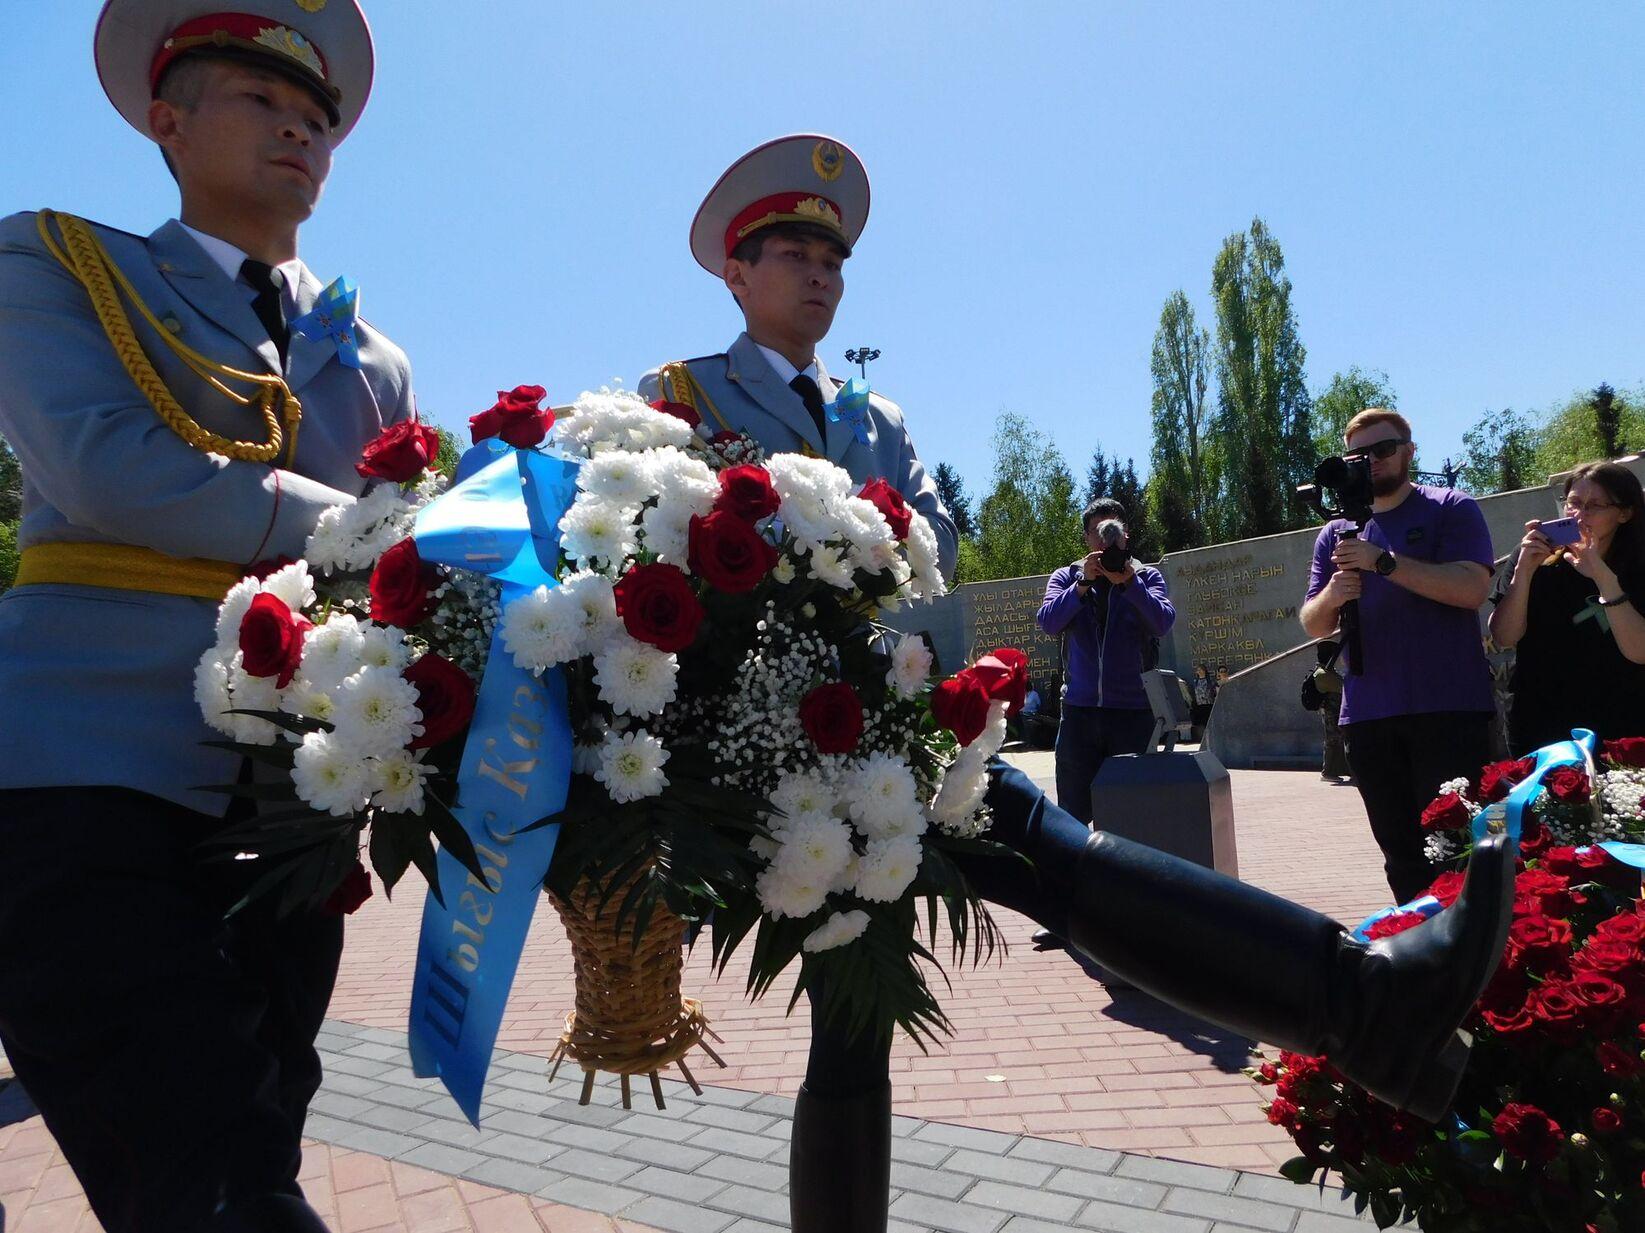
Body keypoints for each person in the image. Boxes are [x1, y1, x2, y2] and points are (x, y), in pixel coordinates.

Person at [640, 140, 1519, 1233]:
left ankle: (1373, 1012)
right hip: (770, 744)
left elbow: (934, 543)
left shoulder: (877, 415)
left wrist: (860, 533)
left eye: (833, 257)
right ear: (735, 272)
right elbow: (665, 552)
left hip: (881, 726)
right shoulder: (678, 397)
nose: (819, 275)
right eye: (791, 253)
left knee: (935, 959)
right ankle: (1369, 1009)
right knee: (1031, 881)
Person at [0, 5, 402, 1230]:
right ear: (166, 125)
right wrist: (369, 533)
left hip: (288, 805)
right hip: (85, 775)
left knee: (258, 1144)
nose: (298, 127)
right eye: (257, 98)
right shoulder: (57, 264)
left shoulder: (372, 356)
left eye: (317, 115)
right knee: (205, 1183)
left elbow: (399, 582)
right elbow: (107, 464)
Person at [1300, 408, 1496, 904]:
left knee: (1463, 852)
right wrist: (1336, 595)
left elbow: (1471, 588)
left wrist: (1383, 563)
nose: (1371, 463)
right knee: (1402, 856)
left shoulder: (1450, 507)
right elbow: (1313, 623)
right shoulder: (1335, 534)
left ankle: (1480, 969)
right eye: (1358, 455)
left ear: (1409, 451)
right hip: (1368, 715)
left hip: (1449, 709)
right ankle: (1420, 965)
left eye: (1383, 450)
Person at [1036, 498, 1176, 825]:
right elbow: (1048, 623)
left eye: (1113, 532)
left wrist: (1130, 584)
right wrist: (1081, 585)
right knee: (1072, 815)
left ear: (1126, 536)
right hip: (1078, 715)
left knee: (1133, 816)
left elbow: (1163, 623)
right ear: (1086, 538)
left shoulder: (1147, 577)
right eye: (1099, 533)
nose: (1107, 541)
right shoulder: (1066, 577)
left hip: (1132, 715)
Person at [1488, 461, 1645, 753]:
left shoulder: (1638, 565)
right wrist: (1523, 571)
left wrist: (1601, 575)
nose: (1579, 515)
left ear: (1624, 513)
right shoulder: (1533, 558)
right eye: (1573, 503)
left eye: (1594, 506)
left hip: (1626, 727)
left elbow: (1639, 651)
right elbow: (1504, 636)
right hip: (1542, 726)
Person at [1311, 640, 1350, 781]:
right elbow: (1342, 686)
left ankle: (1343, 769)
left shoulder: (1328, 672)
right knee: (1332, 740)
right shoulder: (1322, 673)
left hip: (1336, 712)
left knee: (1339, 740)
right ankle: (1328, 772)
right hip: (1331, 713)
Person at [1190, 662, 1215, 740]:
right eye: (1198, 670)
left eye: (1201, 670)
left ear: (1204, 671)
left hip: (1208, 704)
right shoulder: (1196, 681)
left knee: (1207, 722)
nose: (1199, 671)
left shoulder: (1209, 680)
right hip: (1199, 705)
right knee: (1201, 724)